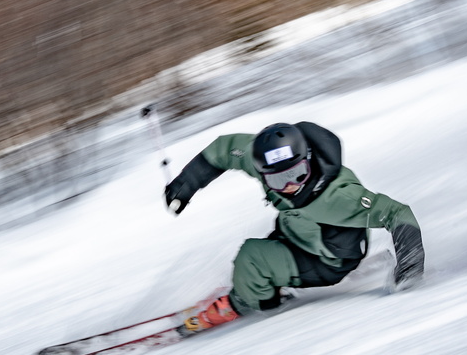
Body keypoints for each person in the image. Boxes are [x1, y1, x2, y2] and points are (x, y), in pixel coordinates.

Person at [164, 122, 424, 334]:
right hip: (299, 232)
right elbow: (225, 149)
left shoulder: (337, 197)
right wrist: (184, 186)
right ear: (262, 170)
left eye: (298, 173)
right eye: (277, 179)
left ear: (307, 158)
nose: (289, 184)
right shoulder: (264, 160)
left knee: (251, 257)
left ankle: (248, 302)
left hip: (328, 261)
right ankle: (267, 279)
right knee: (272, 239)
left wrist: (409, 268)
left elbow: (397, 213)